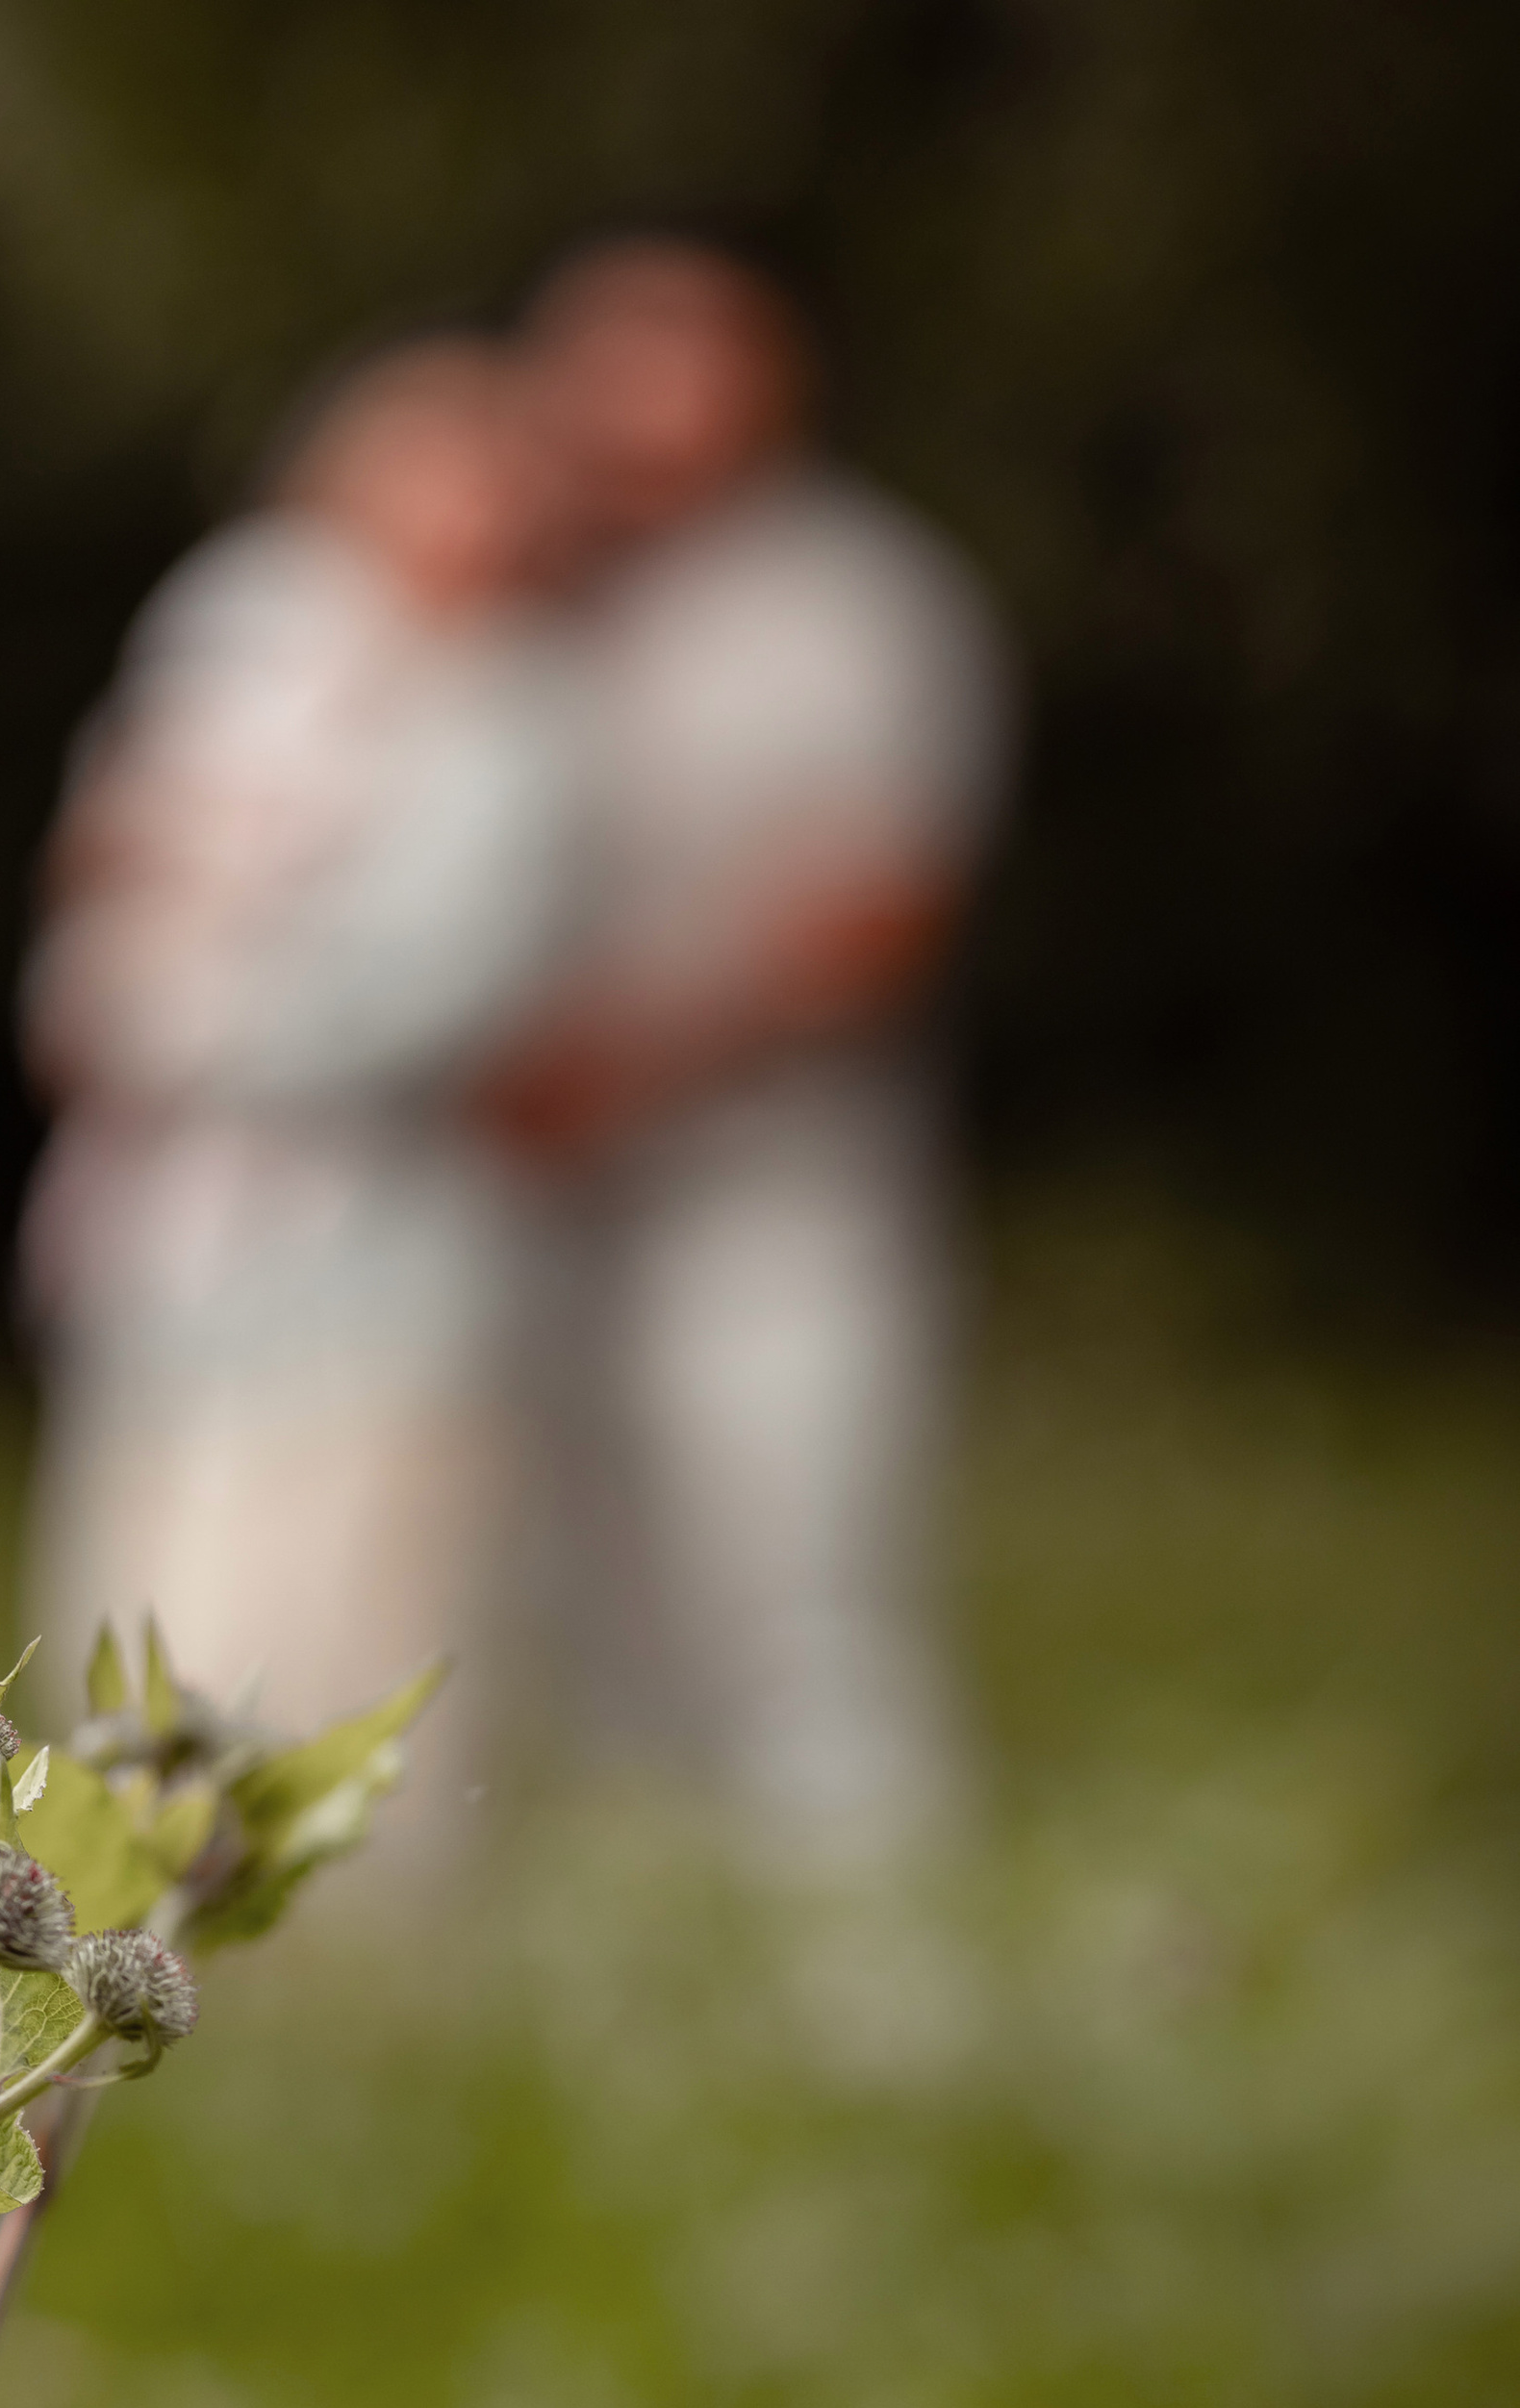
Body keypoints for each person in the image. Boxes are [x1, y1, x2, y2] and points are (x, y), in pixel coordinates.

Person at [488, 241, 1016, 1864]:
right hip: (536, 1216)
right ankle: (671, 2024)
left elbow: (878, 912)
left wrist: (622, 1066)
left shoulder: (850, 603)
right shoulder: (521, 597)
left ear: (761, 384)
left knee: (798, 1612)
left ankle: (887, 2009)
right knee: (592, 1640)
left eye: (672, 366)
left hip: (778, 1207)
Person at [17, 339, 584, 1787]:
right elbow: (112, 862)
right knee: (145, 1599)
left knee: (348, 1614)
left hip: (380, 1250)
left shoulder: (510, 724)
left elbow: (429, 991)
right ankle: (126, 1934)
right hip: (176, 1241)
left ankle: (349, 1962)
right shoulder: (236, 638)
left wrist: (182, 1031)